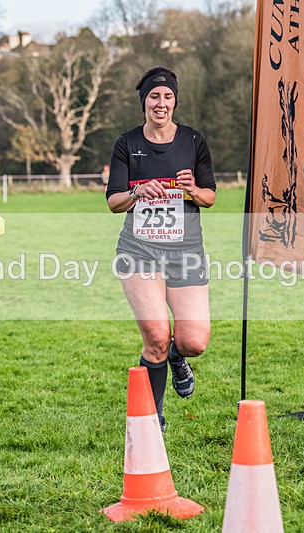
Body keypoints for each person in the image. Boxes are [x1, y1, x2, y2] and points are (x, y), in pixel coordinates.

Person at [105, 66, 217, 431]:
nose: (161, 103)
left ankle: (175, 354)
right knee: (155, 335)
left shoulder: (194, 141)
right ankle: (153, 419)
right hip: (139, 251)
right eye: (154, 96)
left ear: (175, 101)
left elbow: (210, 196)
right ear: (144, 103)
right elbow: (113, 201)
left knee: (193, 341)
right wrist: (137, 192)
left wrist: (193, 191)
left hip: (185, 252)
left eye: (168, 96)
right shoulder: (126, 143)